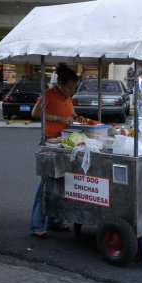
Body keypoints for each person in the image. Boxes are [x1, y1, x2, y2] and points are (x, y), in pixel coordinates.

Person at [30, 63, 86, 237]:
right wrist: (59, 118)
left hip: (65, 141)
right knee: (46, 183)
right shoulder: (48, 95)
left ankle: (54, 220)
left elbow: (71, 114)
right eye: (70, 87)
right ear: (60, 83)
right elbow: (35, 113)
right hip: (50, 141)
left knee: (62, 182)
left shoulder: (67, 97)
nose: (72, 91)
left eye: (74, 88)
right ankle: (36, 224)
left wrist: (77, 118)